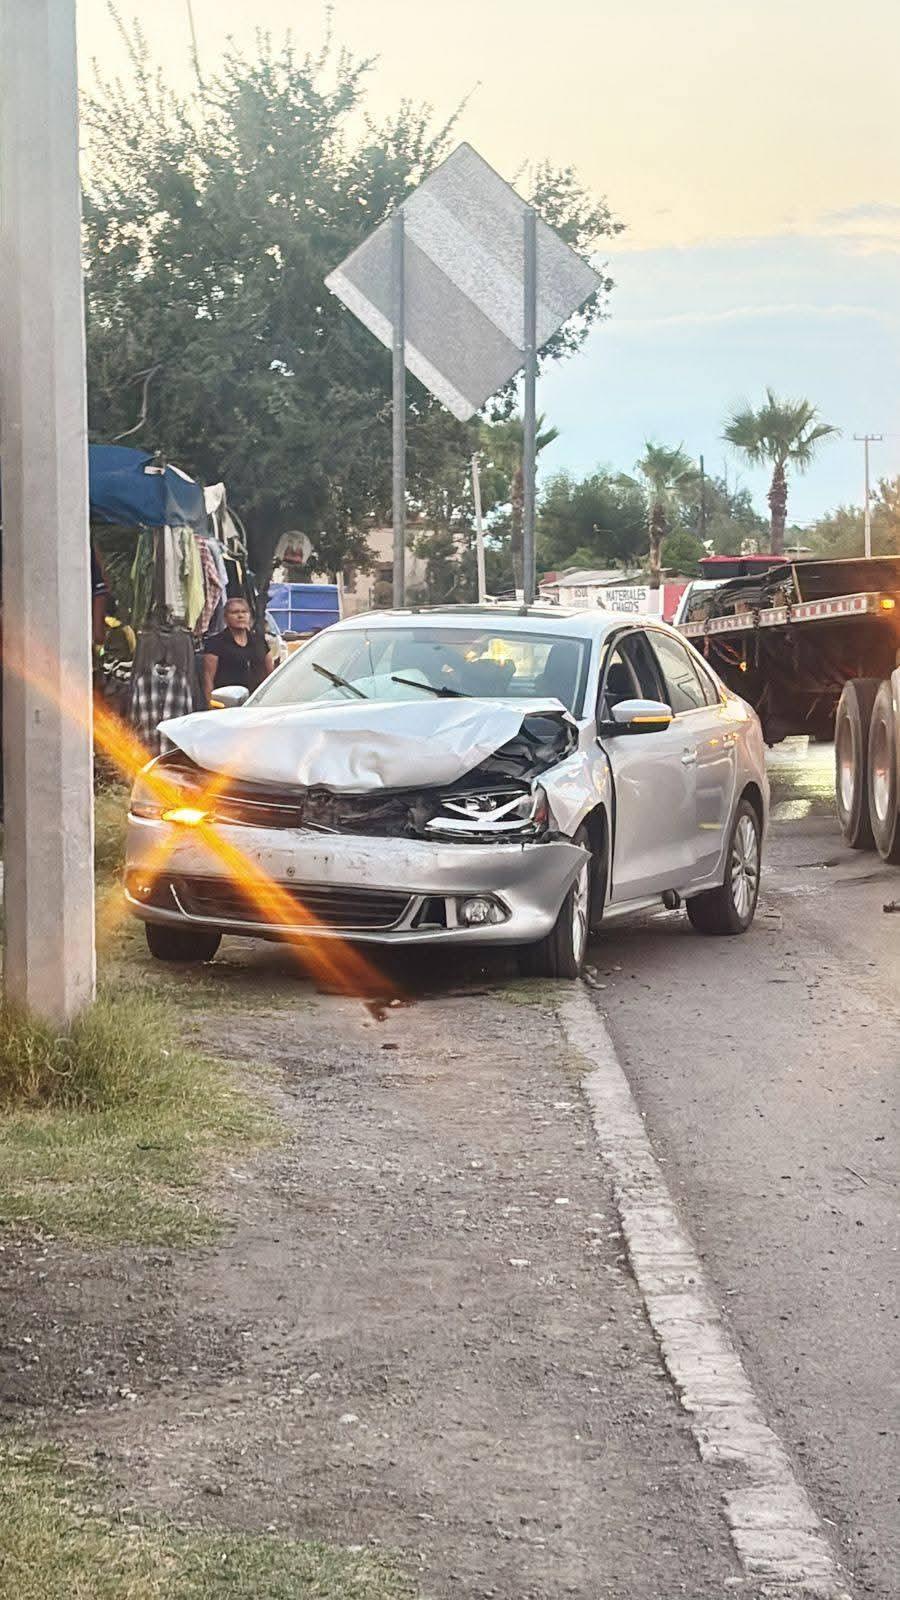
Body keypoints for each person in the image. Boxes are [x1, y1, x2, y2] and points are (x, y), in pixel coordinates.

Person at [202, 597, 273, 705]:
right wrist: (210, 704)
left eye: (244, 612)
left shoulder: (259, 641)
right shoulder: (215, 643)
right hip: (226, 702)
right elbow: (208, 678)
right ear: (225, 618)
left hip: (257, 701)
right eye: (235, 612)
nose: (240, 616)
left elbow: (270, 673)